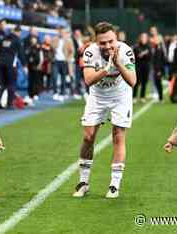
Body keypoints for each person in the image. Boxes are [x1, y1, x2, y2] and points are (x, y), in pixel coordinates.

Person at [73, 22, 136, 199]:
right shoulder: (89, 52)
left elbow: (132, 81)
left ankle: (114, 184)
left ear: (116, 38)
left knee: (118, 135)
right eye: (103, 43)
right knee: (88, 136)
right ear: (96, 42)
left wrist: (118, 64)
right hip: (98, 96)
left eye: (111, 41)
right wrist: (107, 68)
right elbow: (88, 80)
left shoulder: (126, 51)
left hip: (120, 96)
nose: (108, 46)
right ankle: (83, 182)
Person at [133, 33, 151, 103]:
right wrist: (140, 55)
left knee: (144, 82)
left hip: (146, 67)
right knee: (137, 82)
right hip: (138, 67)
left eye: (145, 37)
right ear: (140, 38)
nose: (144, 39)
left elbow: (150, 57)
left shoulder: (148, 47)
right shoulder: (136, 46)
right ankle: (134, 97)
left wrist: (145, 55)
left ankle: (142, 97)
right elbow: (135, 56)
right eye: (142, 37)